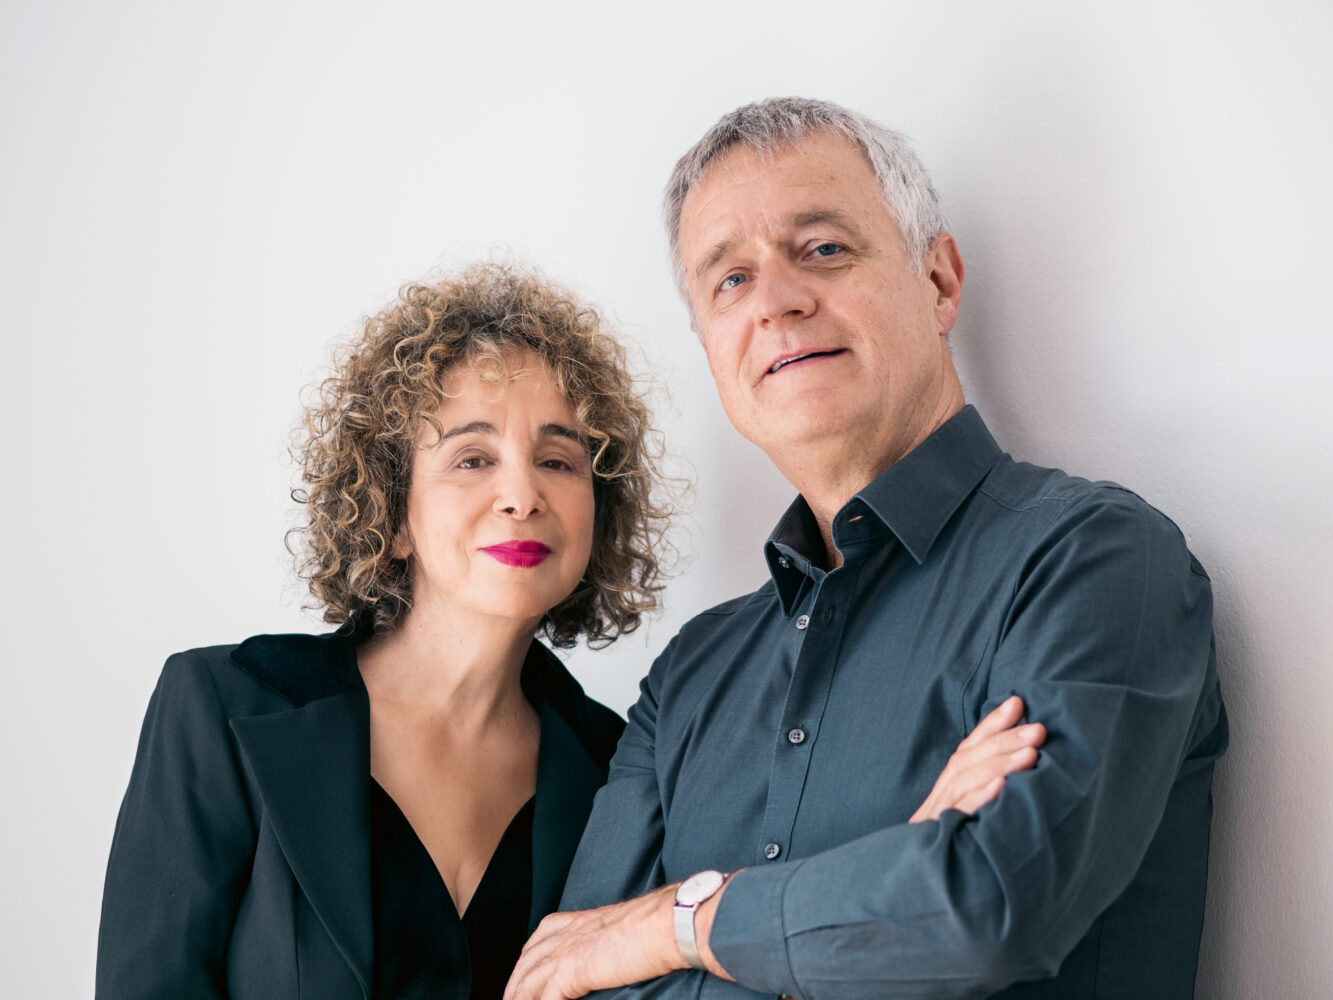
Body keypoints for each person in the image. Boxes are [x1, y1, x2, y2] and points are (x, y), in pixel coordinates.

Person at [95, 261, 1037, 1000]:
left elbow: (712, 969)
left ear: (598, 510)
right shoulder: (224, 711)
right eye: (472, 458)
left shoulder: (616, 766)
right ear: (391, 511)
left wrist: (917, 848)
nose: (522, 494)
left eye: (559, 460)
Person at [505, 99, 1228, 999]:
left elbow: (979, 911)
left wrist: (674, 924)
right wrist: (894, 888)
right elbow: (568, 980)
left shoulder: (1094, 562)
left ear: (938, 282)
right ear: (709, 347)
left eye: (821, 248)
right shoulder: (689, 676)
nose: (775, 300)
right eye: (730, 279)